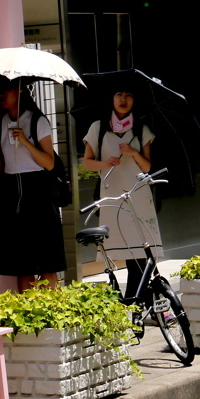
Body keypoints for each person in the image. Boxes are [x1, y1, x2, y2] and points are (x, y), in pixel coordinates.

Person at [0, 76, 66, 292]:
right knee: (22, 265)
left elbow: (49, 163)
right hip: (11, 193)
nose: (1, 95)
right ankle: (29, 320)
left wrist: (25, 141)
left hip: (39, 192)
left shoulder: (37, 121)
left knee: (47, 263)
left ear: (20, 91)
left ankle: (52, 318)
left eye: (6, 90)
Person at [82, 86, 159, 299]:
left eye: (129, 94)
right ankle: (136, 301)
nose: (123, 99)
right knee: (123, 251)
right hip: (113, 195)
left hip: (138, 195)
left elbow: (146, 167)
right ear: (111, 98)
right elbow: (87, 163)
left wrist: (133, 152)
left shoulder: (141, 129)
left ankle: (137, 301)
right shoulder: (97, 128)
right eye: (118, 94)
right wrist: (105, 163)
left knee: (142, 253)